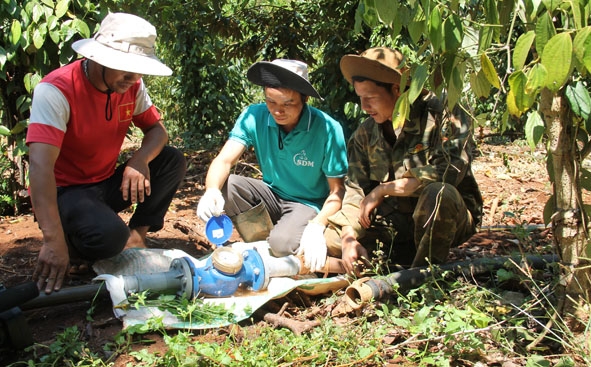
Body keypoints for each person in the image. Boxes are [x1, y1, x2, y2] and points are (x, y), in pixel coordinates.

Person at [26, 13, 187, 294]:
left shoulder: (131, 85)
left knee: (171, 159)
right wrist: (52, 240)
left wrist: (139, 159)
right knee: (110, 238)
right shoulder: (56, 90)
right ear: (98, 59)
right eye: (126, 69)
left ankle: (136, 237)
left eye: (138, 70)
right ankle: (73, 241)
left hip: (103, 184)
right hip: (66, 191)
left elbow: (158, 131)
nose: (133, 78)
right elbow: (40, 168)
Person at [324, 47, 483, 275]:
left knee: (439, 194)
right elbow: (355, 191)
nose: (364, 107)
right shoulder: (365, 134)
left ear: (396, 90)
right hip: (393, 223)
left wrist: (383, 190)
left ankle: (422, 277)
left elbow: (449, 170)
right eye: (360, 98)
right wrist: (349, 236)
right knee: (330, 238)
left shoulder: (443, 113)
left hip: (444, 217)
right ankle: (389, 262)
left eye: (370, 98)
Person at [197, 59, 348, 272]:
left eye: (288, 104)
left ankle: (291, 250)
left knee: (281, 244)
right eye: (271, 102)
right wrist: (211, 190)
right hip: (271, 194)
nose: (278, 111)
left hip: (307, 204)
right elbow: (224, 160)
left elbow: (337, 191)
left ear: (305, 99)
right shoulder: (254, 116)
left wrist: (318, 225)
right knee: (227, 186)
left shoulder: (328, 129)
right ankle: (263, 245)